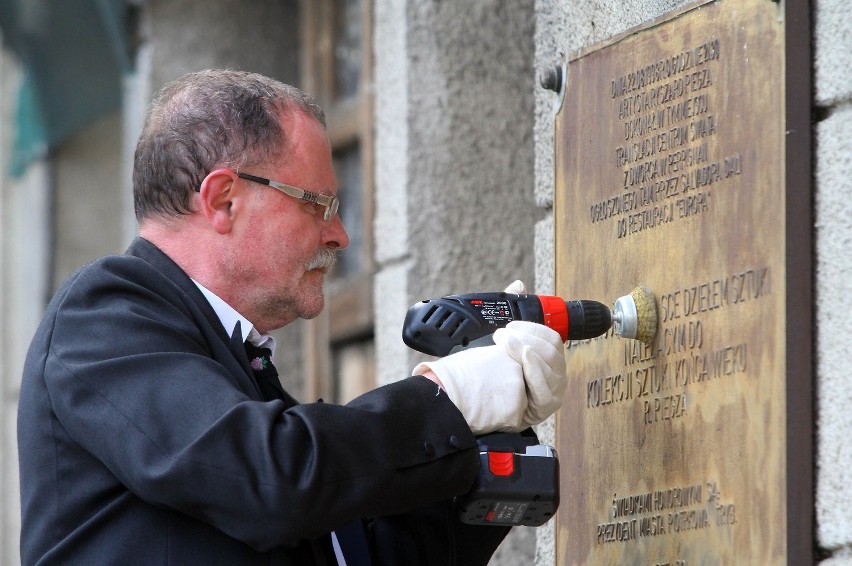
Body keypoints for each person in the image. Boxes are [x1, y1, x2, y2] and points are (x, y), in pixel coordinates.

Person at [17, 69, 567, 565]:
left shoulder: (235, 357)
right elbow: (268, 479)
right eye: (317, 204)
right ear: (223, 200)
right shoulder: (104, 313)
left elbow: (350, 548)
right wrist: (442, 398)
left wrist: (488, 427)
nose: (339, 234)